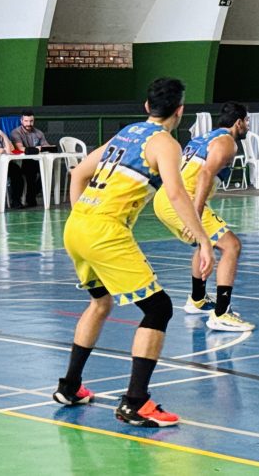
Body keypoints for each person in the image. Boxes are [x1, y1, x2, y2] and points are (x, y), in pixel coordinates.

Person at [54, 77, 215, 429]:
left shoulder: (127, 132)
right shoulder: (166, 144)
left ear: (147, 107)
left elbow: (78, 174)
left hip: (76, 224)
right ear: (180, 111)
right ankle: (136, 402)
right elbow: (175, 194)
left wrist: (85, 215)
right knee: (158, 308)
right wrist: (203, 239)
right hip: (104, 231)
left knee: (100, 303)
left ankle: (69, 387)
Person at [153, 101, 255, 332]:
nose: (248, 126)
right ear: (238, 123)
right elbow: (206, 175)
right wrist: (195, 216)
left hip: (165, 199)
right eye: (246, 121)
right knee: (231, 246)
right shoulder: (228, 142)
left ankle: (198, 299)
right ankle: (222, 313)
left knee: (205, 242)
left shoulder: (205, 138)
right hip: (182, 201)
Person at [10, 110, 50, 208]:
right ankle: (29, 197)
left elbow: (46, 146)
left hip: (35, 160)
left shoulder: (39, 133)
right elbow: (21, 148)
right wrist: (38, 149)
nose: (29, 124)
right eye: (26, 121)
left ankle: (31, 194)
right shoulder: (16, 132)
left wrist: (46, 147)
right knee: (30, 168)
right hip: (20, 162)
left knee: (49, 170)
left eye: (31, 121)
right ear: (21, 121)